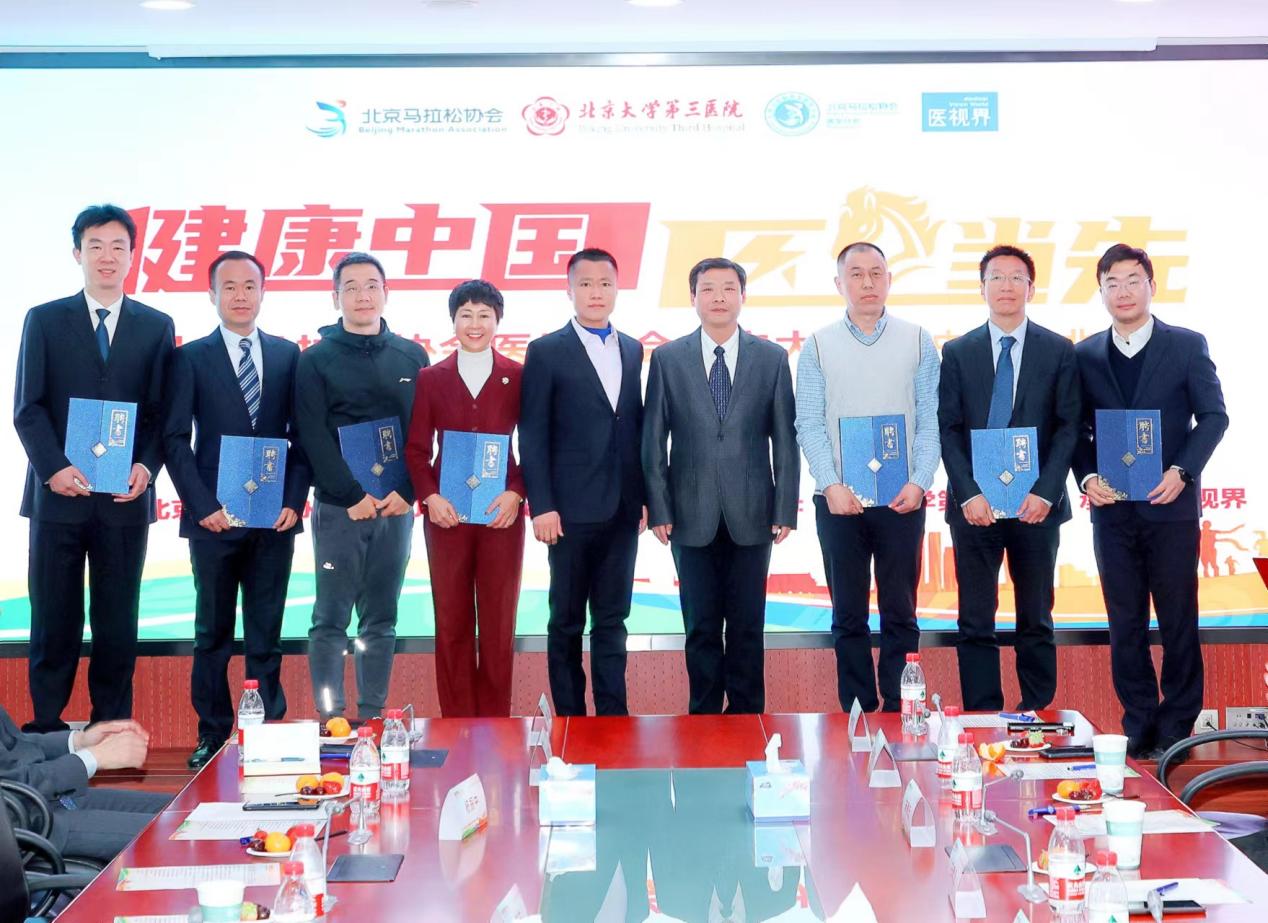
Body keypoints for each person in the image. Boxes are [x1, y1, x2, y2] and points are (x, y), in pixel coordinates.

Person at [14, 205, 175, 732]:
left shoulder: (156, 326)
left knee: (117, 621)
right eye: (96, 246)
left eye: (118, 246)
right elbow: (28, 407)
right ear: (77, 253)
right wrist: (54, 468)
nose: (107, 256)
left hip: (123, 500)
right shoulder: (44, 319)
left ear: (133, 255)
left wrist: (146, 465)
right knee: (52, 619)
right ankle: (45, 728)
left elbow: (161, 413)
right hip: (58, 497)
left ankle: (112, 730)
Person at [1073, 243, 1228, 758]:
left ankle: (1177, 725)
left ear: (1152, 286)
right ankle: (1138, 723)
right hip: (1113, 512)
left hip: (1170, 508)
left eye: (1133, 280)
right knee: (1125, 622)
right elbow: (1074, 429)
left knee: (1179, 618)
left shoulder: (1185, 345)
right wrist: (1086, 476)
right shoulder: (1085, 355)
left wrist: (1182, 471)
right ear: (1101, 292)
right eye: (1112, 283)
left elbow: (1214, 416)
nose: (1123, 291)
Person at [164, 251, 311, 768]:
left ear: (263, 291)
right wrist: (201, 505)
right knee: (212, 635)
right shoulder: (190, 357)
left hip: (274, 520)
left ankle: (268, 732)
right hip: (214, 519)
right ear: (212, 294)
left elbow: (302, 437)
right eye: (229, 287)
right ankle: (212, 732)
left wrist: (293, 500)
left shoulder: (290, 355)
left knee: (266, 635)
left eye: (250, 286)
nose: (240, 295)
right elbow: (175, 438)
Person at [642, 257, 798, 714]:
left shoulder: (771, 358)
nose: (718, 298)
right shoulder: (668, 359)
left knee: (748, 626)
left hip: (753, 513)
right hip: (689, 515)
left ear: (742, 296)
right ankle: (704, 718)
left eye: (729, 288)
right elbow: (653, 440)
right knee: (701, 627)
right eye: (708, 289)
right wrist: (659, 507)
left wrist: (784, 507)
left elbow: (784, 438)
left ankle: (748, 716)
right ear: (693, 298)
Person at [794, 242, 940, 713]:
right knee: (848, 614)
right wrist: (831, 483)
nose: (867, 283)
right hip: (839, 502)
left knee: (901, 611)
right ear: (839, 284)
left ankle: (901, 706)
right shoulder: (818, 345)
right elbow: (808, 422)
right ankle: (856, 709)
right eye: (856, 274)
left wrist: (919, 481)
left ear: (889, 280)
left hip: (902, 499)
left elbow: (931, 419)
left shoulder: (918, 340)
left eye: (876, 273)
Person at [939, 244, 1080, 712]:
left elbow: (1069, 426)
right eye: (996, 277)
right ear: (982, 288)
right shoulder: (957, 352)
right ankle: (982, 717)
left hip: (1035, 507)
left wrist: (1046, 491)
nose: (1006, 286)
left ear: (1031, 289)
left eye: (1016, 277)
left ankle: (1036, 715)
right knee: (975, 620)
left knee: (1035, 618)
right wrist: (967, 493)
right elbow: (948, 428)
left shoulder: (1058, 350)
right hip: (975, 507)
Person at [294, 252, 429, 720]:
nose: (362, 295)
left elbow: (422, 431)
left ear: (386, 293)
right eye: (350, 287)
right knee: (330, 620)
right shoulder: (315, 360)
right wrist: (350, 494)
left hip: (395, 508)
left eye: (371, 285)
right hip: (340, 510)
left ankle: (372, 718)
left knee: (381, 619)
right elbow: (311, 433)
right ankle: (331, 720)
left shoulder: (412, 356)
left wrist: (408, 491)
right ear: (336, 298)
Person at [519, 248, 646, 716]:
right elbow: (532, 434)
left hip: (622, 511)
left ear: (617, 289)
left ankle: (613, 719)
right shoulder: (546, 350)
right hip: (568, 513)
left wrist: (644, 498)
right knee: (567, 622)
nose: (596, 292)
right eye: (586, 284)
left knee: (613, 622)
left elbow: (634, 427)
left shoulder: (632, 348)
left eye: (605, 283)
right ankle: (570, 721)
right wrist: (542, 505)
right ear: (569, 290)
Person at [405, 280, 525, 717]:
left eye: (484, 315)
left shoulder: (518, 376)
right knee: (452, 620)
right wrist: (430, 498)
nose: (475, 324)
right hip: (447, 517)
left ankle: (495, 723)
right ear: (453, 321)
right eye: (466, 315)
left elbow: (535, 445)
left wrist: (516, 493)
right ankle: (456, 721)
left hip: (501, 516)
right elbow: (416, 450)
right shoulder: (431, 378)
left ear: (498, 321)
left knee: (497, 623)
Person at [0, 706, 168, 863]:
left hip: (45, 801)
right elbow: (15, 784)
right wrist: (93, 758)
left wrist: (79, 741)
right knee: (174, 832)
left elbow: (15, 744)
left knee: (175, 809)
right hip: (26, 825)